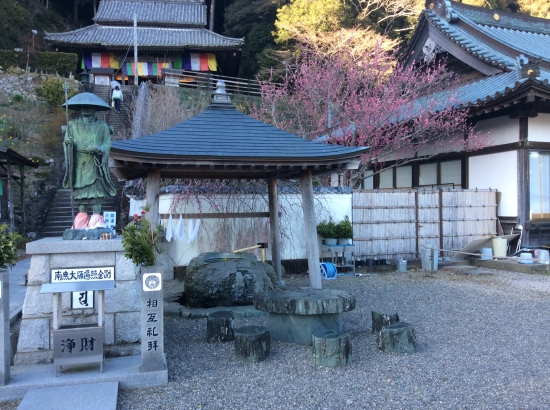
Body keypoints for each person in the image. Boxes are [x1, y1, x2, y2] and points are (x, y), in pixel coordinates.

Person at [63, 95, 116, 229]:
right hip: (79, 163)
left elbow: (107, 143)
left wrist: (100, 149)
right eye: (83, 107)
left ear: (95, 109)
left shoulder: (102, 126)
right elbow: (67, 142)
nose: (86, 109)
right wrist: (67, 143)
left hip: (95, 161)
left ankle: (96, 220)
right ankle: (80, 221)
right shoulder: (72, 125)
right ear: (80, 109)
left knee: (96, 191)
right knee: (80, 193)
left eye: (89, 107)